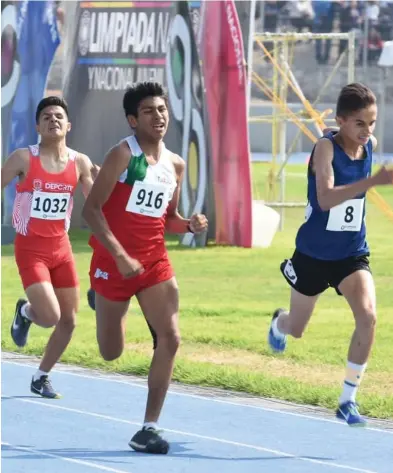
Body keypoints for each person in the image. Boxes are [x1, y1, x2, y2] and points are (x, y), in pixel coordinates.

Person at [82, 82, 208, 454]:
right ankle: (100, 296)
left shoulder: (175, 164)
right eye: (150, 111)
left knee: (170, 337)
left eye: (163, 109)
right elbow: (91, 210)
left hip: (154, 262)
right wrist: (120, 255)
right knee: (110, 351)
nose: (159, 116)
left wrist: (188, 225)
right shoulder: (122, 155)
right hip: (112, 262)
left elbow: (167, 219)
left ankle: (148, 427)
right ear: (133, 120)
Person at [268, 83, 393, 426]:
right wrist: (373, 182)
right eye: (359, 124)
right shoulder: (324, 150)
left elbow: (362, 139)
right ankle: (279, 322)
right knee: (297, 329)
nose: (367, 131)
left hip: (351, 254)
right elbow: (324, 198)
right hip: (312, 254)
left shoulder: (368, 146)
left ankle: (347, 399)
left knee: (368, 317)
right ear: (341, 121)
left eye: (372, 122)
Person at [1, 96, 98, 399]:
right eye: (46, 116)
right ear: (37, 126)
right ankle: (27, 312)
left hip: (61, 249)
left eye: (58, 116)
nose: (53, 120)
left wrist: (100, 178)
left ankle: (41, 376)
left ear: (68, 125)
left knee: (69, 320)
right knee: (52, 315)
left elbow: (96, 204)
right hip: (31, 249)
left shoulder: (79, 162)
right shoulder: (22, 158)